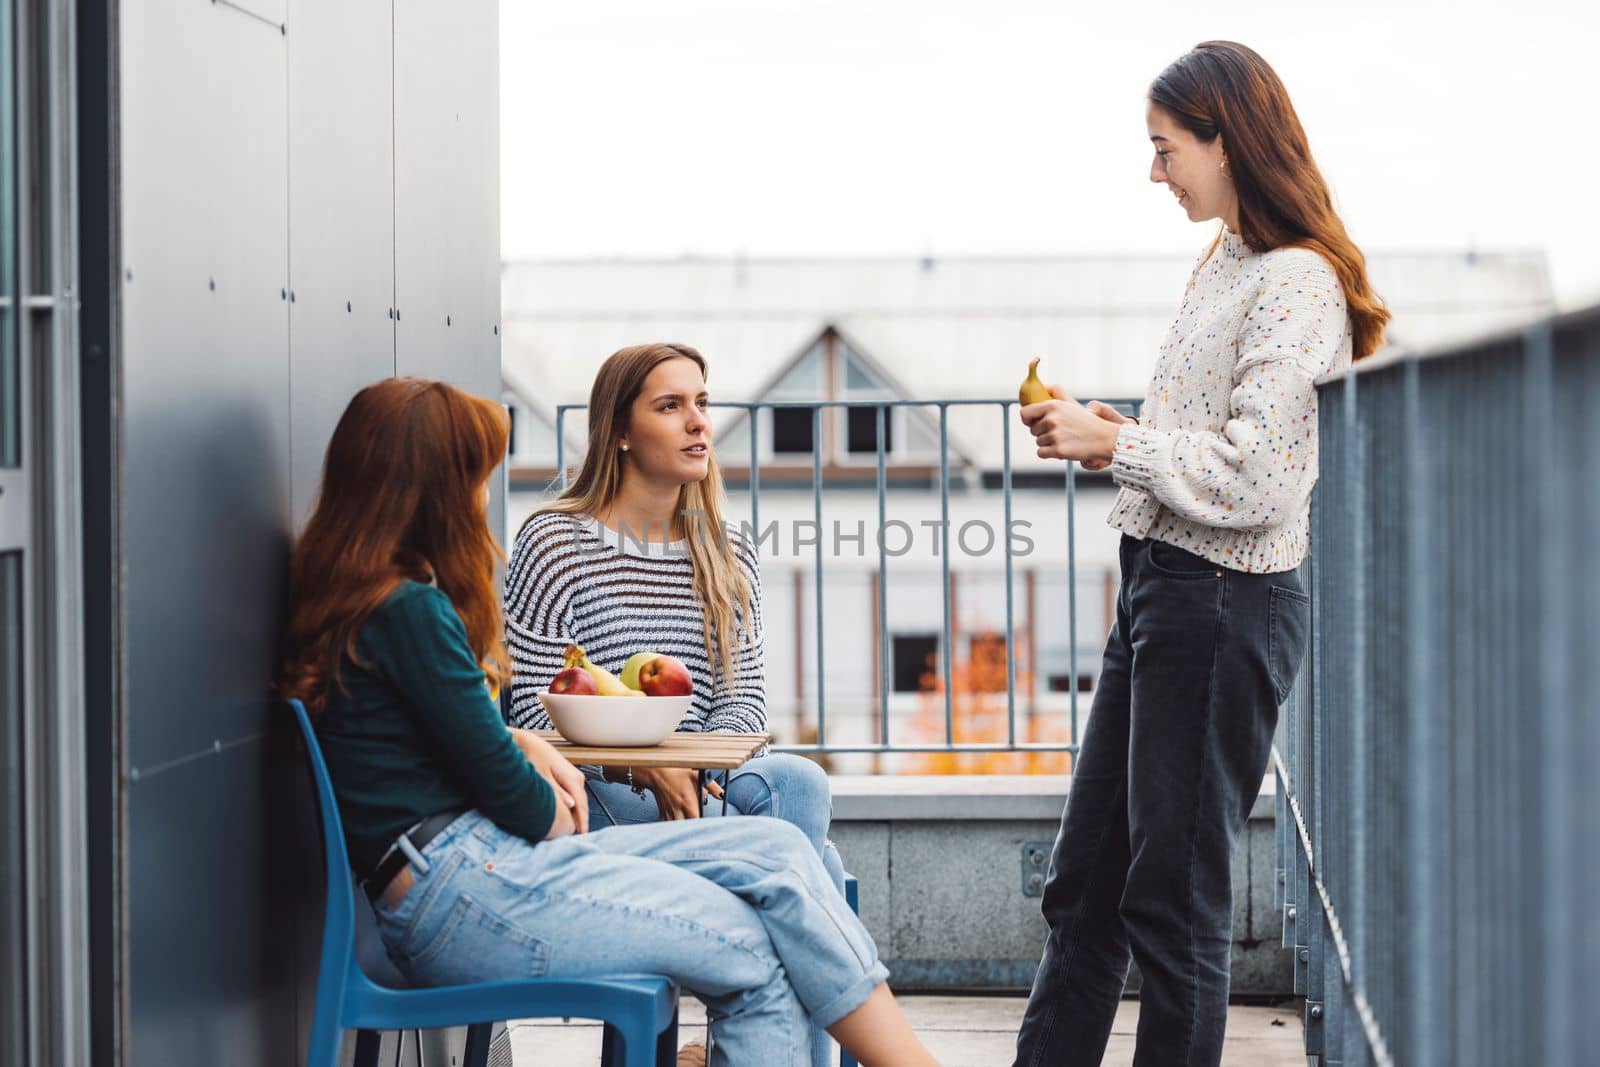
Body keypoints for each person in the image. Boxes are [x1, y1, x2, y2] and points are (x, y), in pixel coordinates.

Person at [279, 377, 938, 1067]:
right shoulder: (411, 611)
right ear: (432, 486)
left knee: (780, 850)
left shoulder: (366, 601)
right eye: (475, 478)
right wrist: (537, 764)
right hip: (466, 885)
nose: (481, 499)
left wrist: (521, 742)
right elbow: (535, 810)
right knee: (756, 946)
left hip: (464, 872)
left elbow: (461, 744)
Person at [1011, 41, 1390, 1067]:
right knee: (1085, 881)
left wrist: (1119, 443)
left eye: (1165, 147)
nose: (1153, 172)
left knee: (1171, 901)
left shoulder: (1296, 281)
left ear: (1229, 140)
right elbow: (1213, 436)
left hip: (1222, 602)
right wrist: (1113, 434)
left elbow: (1258, 477)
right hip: (1161, 589)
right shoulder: (1225, 258)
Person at [503, 343, 844, 883]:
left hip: (709, 782)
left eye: (702, 403)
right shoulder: (553, 543)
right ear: (620, 431)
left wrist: (695, 766)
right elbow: (534, 715)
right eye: (670, 406)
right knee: (812, 858)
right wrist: (644, 767)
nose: (697, 423)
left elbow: (743, 703)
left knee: (800, 783)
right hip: (604, 788)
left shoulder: (730, 549)